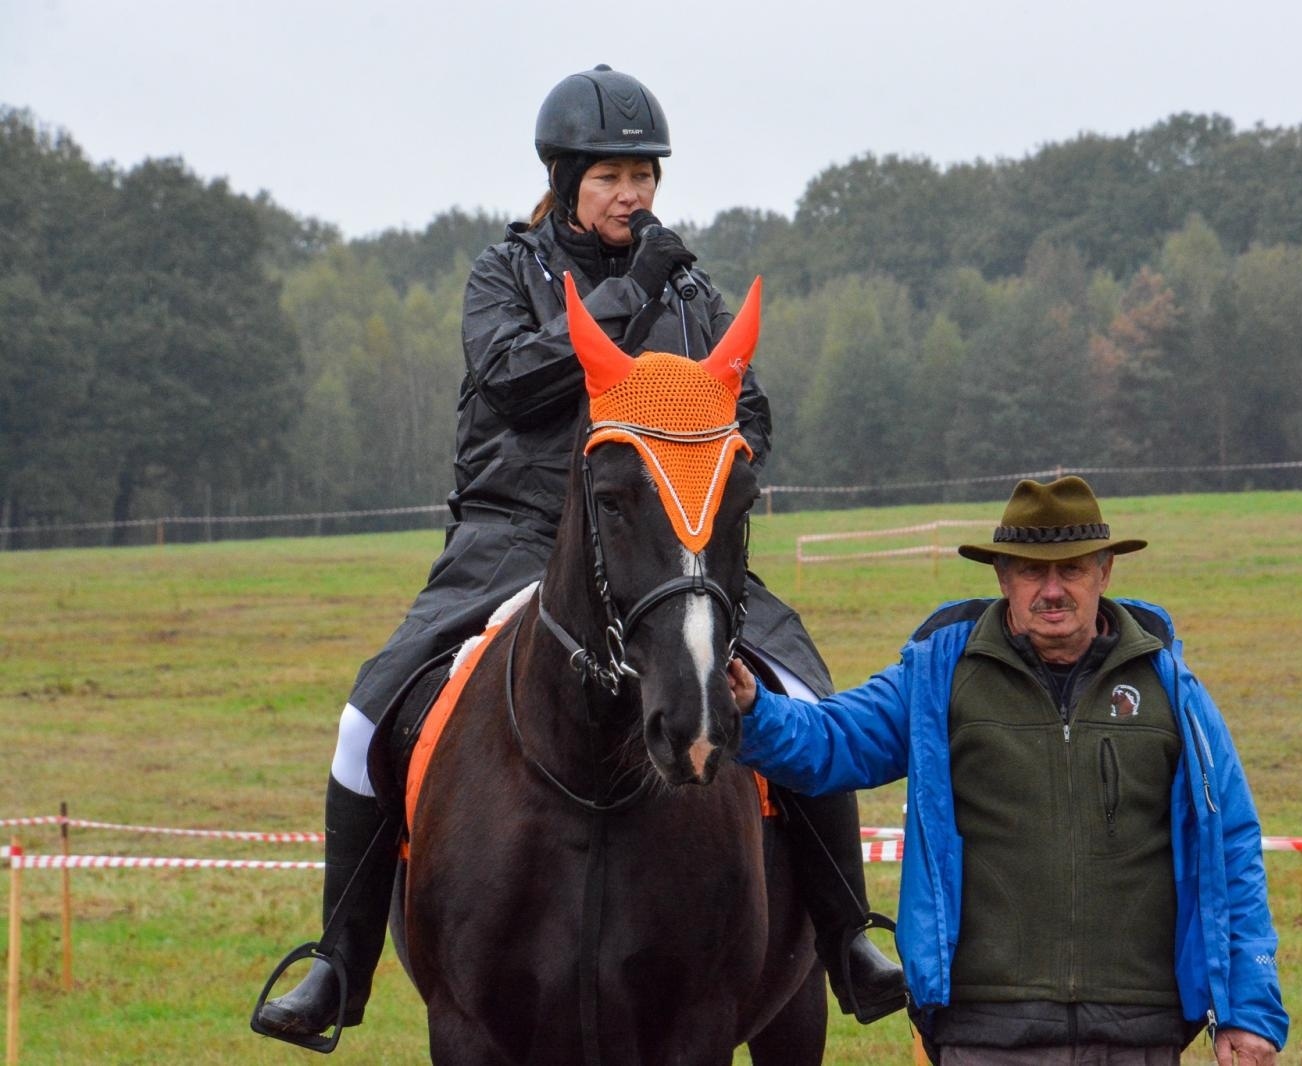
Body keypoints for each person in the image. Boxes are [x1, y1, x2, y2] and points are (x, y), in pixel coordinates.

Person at [256, 64, 904, 1041]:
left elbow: (751, 411)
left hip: (665, 542)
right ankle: (336, 968)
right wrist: (627, 293)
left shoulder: (691, 291)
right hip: (514, 539)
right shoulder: (504, 274)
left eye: (644, 176)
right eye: (610, 177)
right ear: (563, 181)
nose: (631, 195)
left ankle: (850, 936)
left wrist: (713, 464)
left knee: (803, 692)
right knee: (367, 715)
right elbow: (513, 383)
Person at [730, 476, 1289, 1065]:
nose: (1053, 590)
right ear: (1002, 577)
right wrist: (753, 708)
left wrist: (1249, 1010)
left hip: (1137, 1030)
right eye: (1031, 572)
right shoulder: (939, 676)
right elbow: (833, 741)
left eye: (1071, 569)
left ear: (1104, 572)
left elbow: (1231, 843)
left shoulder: (1169, 687)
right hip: (985, 1030)